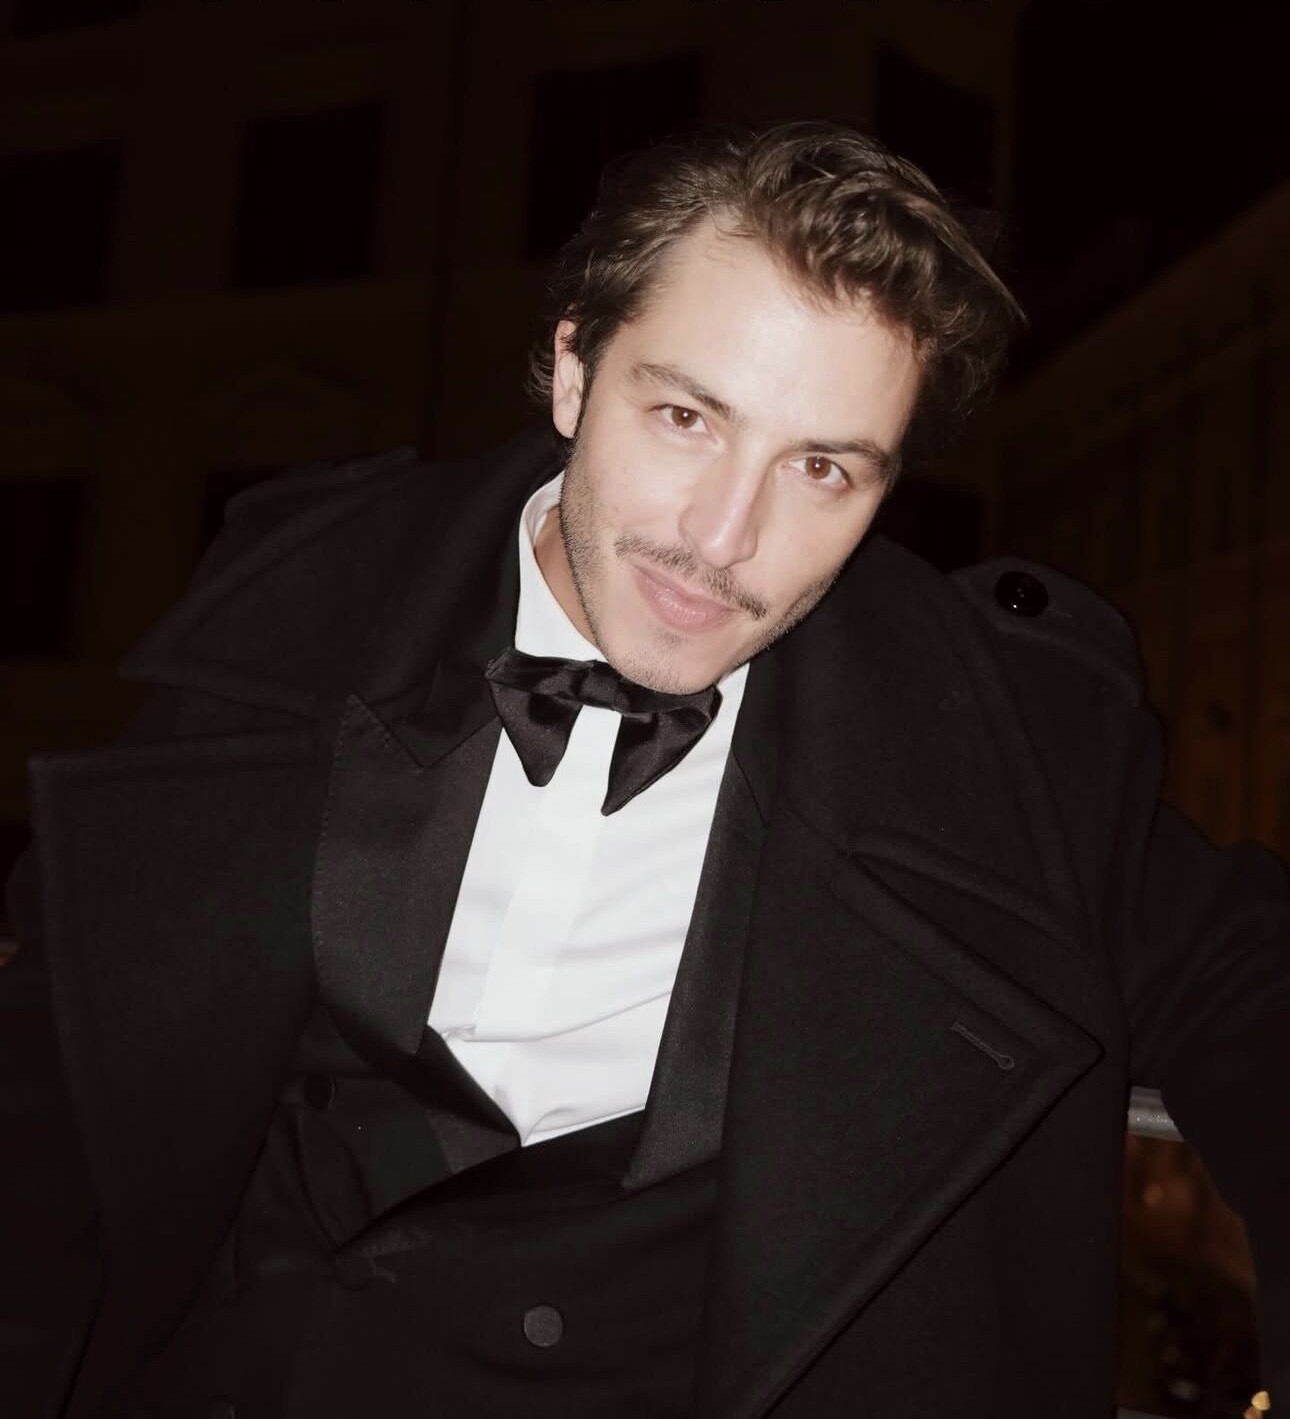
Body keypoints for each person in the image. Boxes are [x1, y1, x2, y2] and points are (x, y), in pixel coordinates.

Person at [2, 122, 1286, 1419]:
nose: (723, 537)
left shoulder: (993, 745)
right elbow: (49, 1090)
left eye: (821, 468)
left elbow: (1248, 982)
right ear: (572, 371)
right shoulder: (292, 613)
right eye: (685, 417)